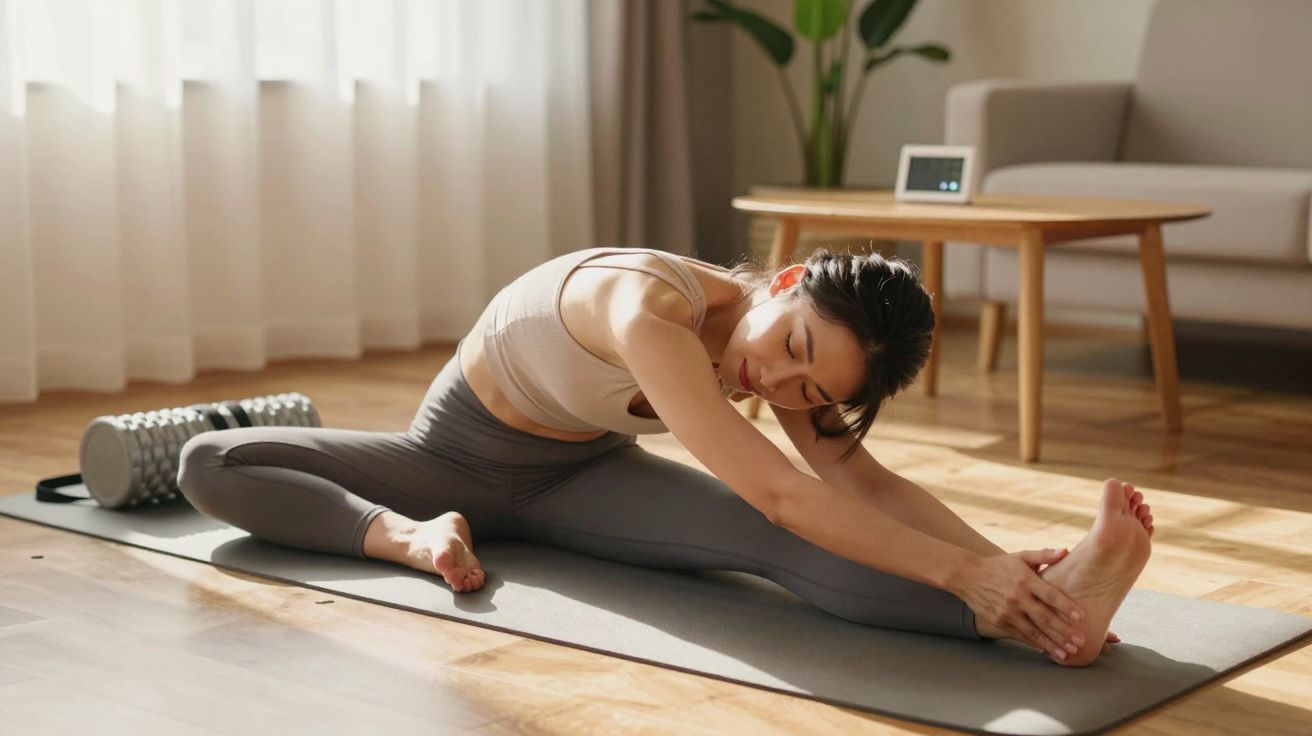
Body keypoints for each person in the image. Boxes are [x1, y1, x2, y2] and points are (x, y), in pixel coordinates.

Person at [177, 246, 1153, 667]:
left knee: (792, 558)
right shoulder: (643, 306)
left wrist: (1001, 566)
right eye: (793, 351)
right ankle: (406, 539)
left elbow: (856, 478)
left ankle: (1057, 604)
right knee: (212, 464)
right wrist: (963, 572)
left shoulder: (786, 367)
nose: (778, 386)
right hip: (449, 462)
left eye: (812, 391)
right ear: (784, 281)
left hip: (581, 477)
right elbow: (778, 486)